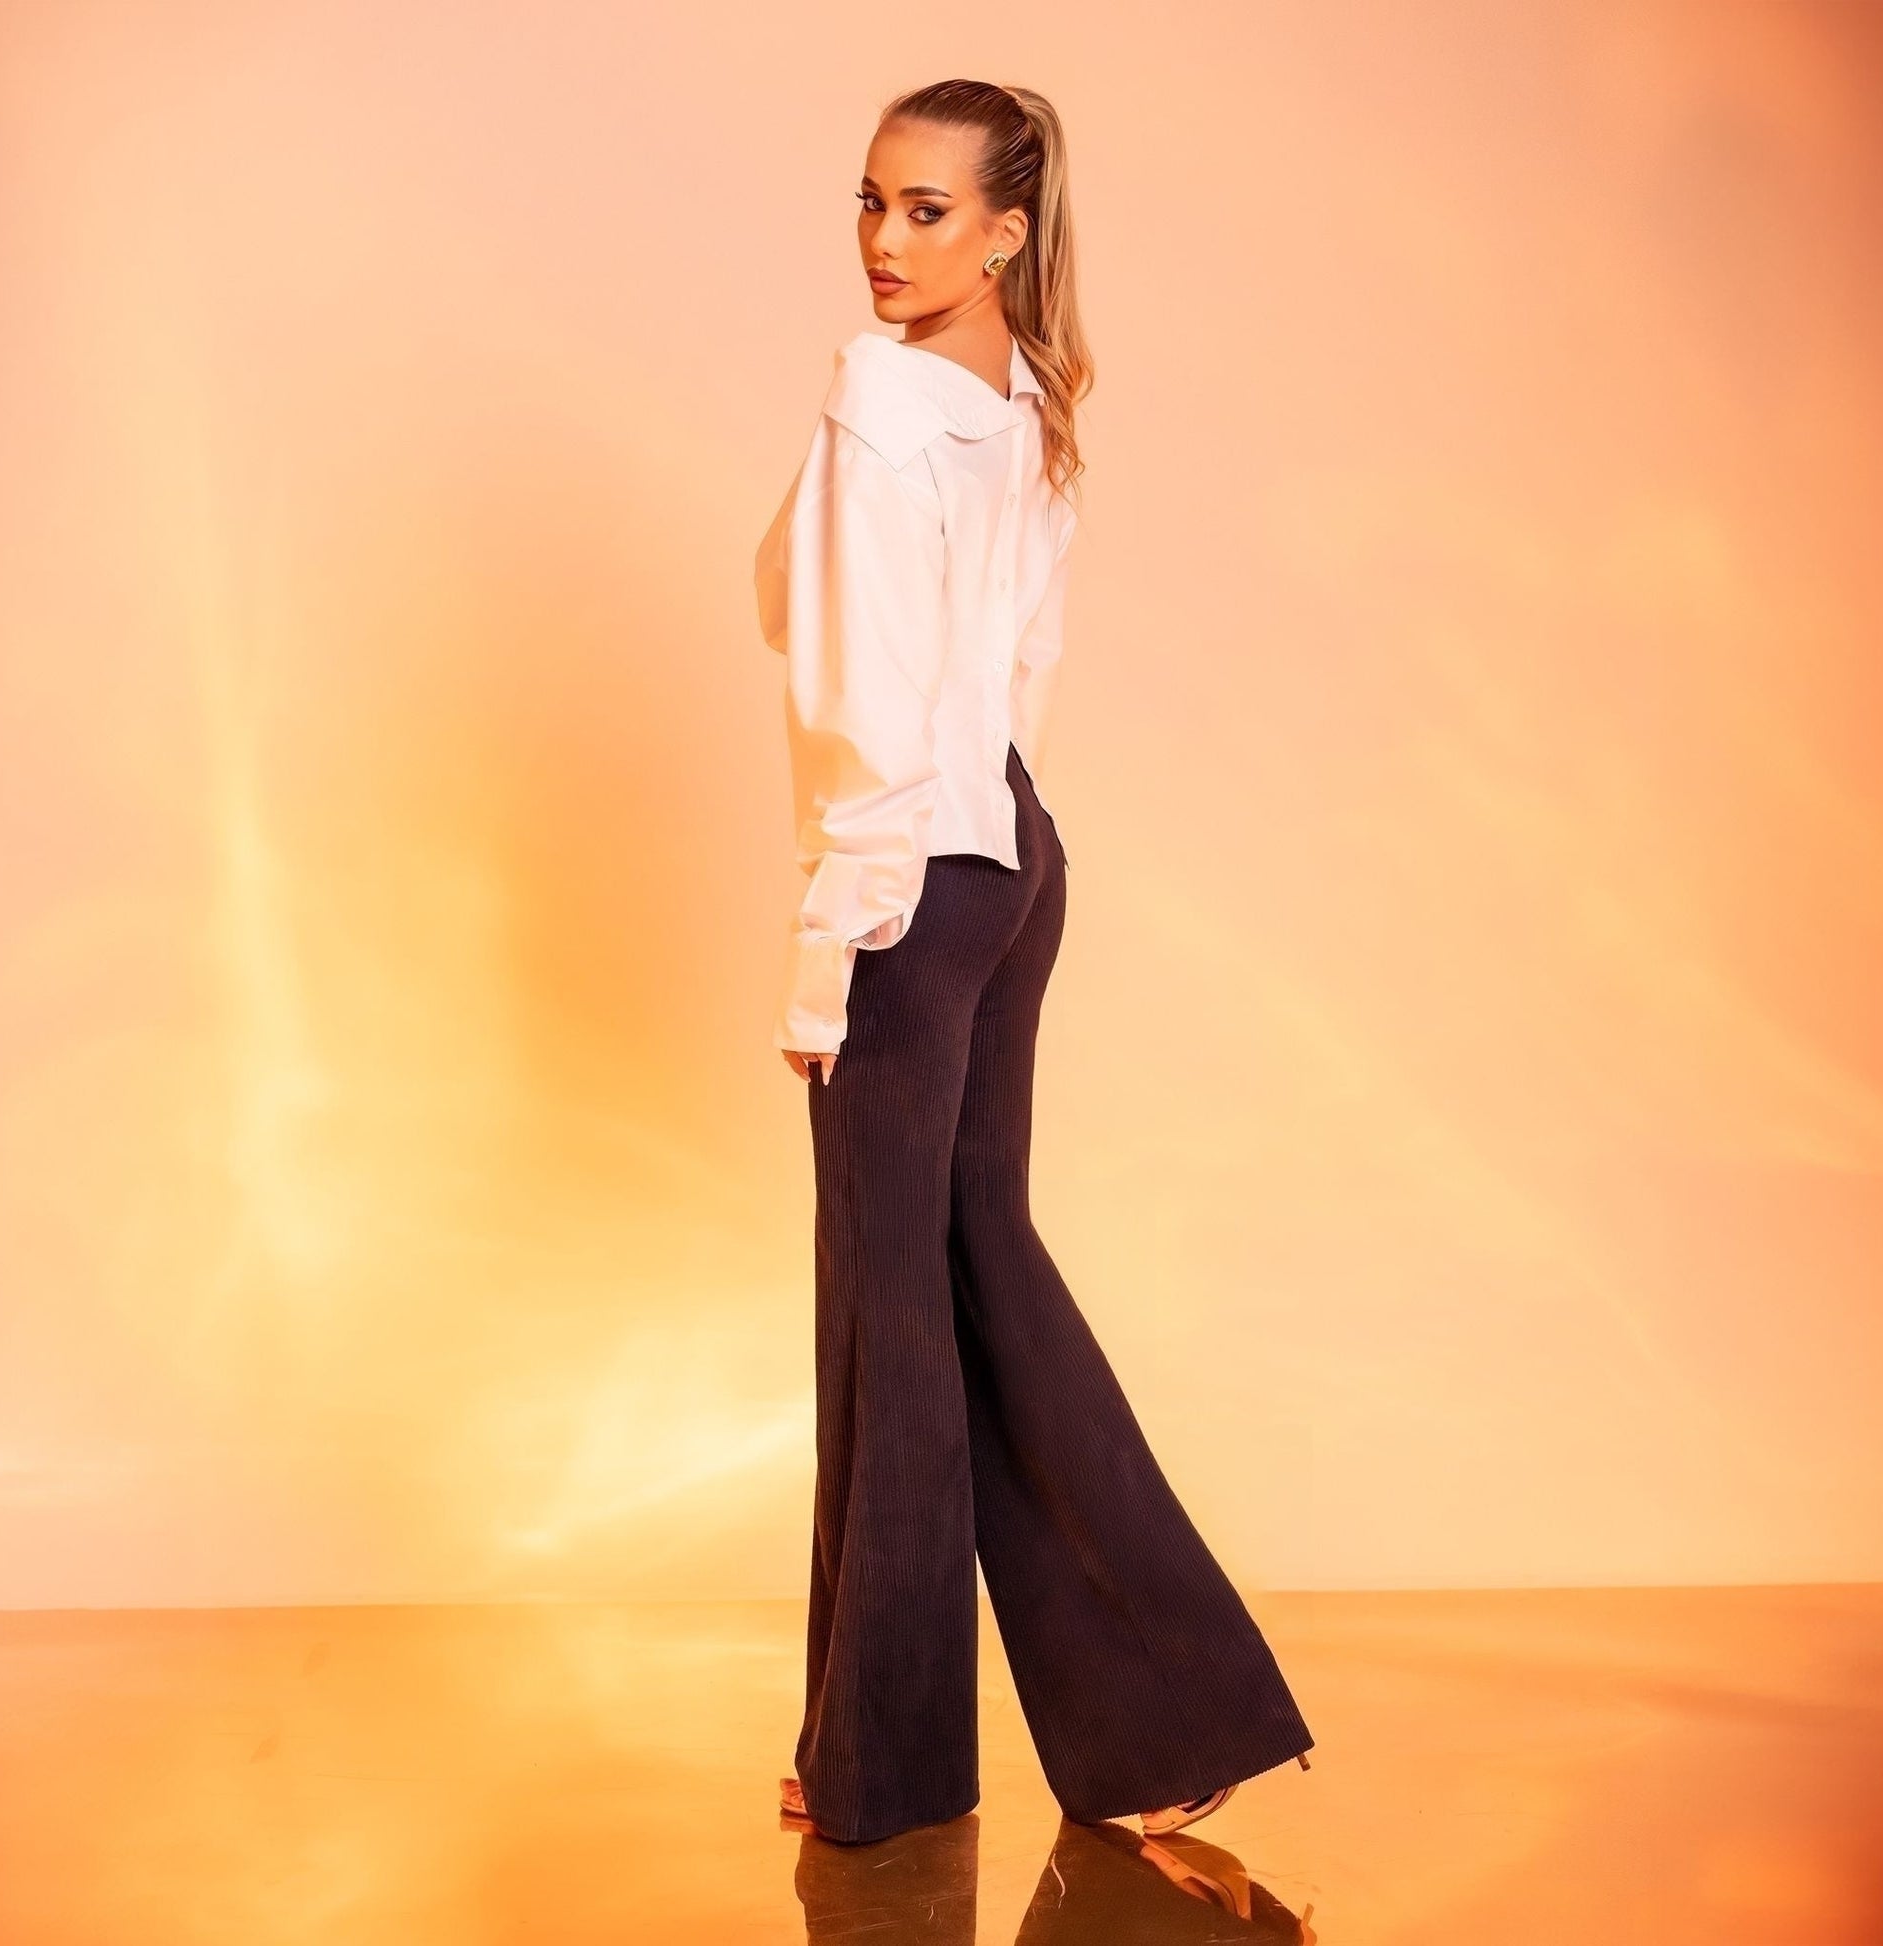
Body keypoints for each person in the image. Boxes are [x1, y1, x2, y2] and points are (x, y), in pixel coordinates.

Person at [753, 77, 1314, 1849]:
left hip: (909, 884)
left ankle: (888, 1770)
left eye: (926, 210)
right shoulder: (1020, 401)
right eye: (868, 202)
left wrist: (833, 945)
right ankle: (1168, 1716)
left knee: (889, 1321)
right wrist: (976, 840)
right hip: (1004, 850)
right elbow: (1001, 667)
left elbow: (854, 694)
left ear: (1003, 231)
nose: (883, 239)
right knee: (973, 1269)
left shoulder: (881, 403)